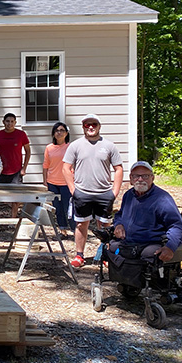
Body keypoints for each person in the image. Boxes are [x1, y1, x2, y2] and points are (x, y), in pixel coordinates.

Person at [62, 113, 124, 268]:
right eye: (87, 125)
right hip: (82, 192)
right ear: (83, 127)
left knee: (105, 226)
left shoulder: (109, 146)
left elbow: (118, 169)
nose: (90, 127)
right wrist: (73, 189)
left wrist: (114, 192)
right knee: (81, 225)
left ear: (99, 127)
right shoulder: (75, 146)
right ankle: (79, 255)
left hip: (104, 193)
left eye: (94, 125)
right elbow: (66, 168)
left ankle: (105, 255)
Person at [109, 161, 182, 262]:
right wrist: (118, 225)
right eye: (136, 176)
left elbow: (176, 226)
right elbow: (119, 215)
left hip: (150, 243)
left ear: (152, 178)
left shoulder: (162, 199)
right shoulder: (128, 195)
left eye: (145, 176)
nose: (140, 179)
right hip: (128, 242)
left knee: (149, 254)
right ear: (131, 179)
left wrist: (170, 247)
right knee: (112, 248)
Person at [0, 113, 31, 218]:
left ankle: (13, 219)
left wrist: (24, 168)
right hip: (0, 171)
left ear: (15, 123)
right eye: (7, 121)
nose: (10, 124)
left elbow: (28, 151)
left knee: (16, 198)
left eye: (12, 121)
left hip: (16, 171)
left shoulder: (21, 135)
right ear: (3, 122)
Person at [43, 122, 73, 235]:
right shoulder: (49, 148)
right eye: (57, 130)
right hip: (52, 182)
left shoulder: (70, 147)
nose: (59, 133)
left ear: (66, 133)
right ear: (53, 133)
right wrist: (45, 180)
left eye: (62, 130)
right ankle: (63, 230)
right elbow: (45, 165)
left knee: (68, 207)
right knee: (58, 208)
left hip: (67, 182)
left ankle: (75, 230)